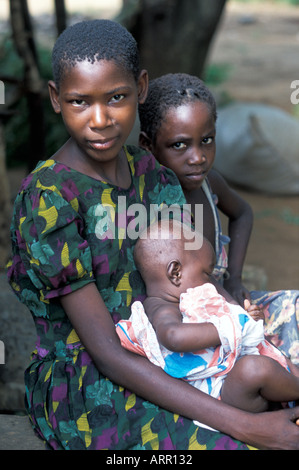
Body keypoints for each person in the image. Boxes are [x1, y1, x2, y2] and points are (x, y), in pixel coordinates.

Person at [6, 20, 299, 450]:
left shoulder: (155, 178)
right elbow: (106, 352)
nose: (100, 119)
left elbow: (191, 283)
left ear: (141, 88)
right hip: (90, 382)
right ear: (55, 98)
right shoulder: (49, 200)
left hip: (175, 353)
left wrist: (236, 321)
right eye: (79, 102)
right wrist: (243, 425)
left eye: (117, 98)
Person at [138, 72, 299, 366]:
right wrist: (234, 314)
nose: (197, 157)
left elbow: (243, 213)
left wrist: (234, 278)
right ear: (148, 145)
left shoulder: (210, 184)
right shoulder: (150, 206)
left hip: (229, 308)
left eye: (206, 140)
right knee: (266, 365)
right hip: (195, 332)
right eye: (179, 145)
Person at [116, 220, 299, 423]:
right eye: (207, 273)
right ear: (176, 273)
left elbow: (239, 319)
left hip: (246, 379)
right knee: (253, 369)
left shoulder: (197, 293)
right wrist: (230, 325)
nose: (211, 282)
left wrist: (250, 318)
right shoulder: (161, 307)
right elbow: (173, 336)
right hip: (225, 393)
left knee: (273, 353)